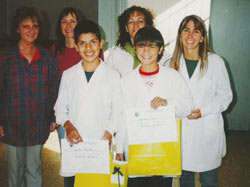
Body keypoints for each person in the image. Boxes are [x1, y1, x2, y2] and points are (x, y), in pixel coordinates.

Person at [115, 26, 194, 187]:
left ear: (160, 49)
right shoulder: (126, 81)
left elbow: (188, 106)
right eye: (141, 46)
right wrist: (119, 149)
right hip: (135, 149)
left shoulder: (172, 76)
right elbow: (121, 117)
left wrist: (168, 104)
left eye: (152, 46)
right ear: (135, 48)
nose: (146, 51)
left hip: (163, 150)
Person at [164, 15, 233, 187]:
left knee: (208, 179)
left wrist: (204, 110)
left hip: (206, 129)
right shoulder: (169, 64)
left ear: (202, 37)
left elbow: (226, 96)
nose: (190, 35)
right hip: (181, 130)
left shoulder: (216, 62)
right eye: (186, 30)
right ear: (180, 35)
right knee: (185, 178)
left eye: (196, 31)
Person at [54, 20, 121, 187]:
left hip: (101, 142)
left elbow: (119, 109)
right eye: (82, 44)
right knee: (73, 182)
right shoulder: (69, 75)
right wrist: (68, 126)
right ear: (76, 47)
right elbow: (60, 108)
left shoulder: (113, 75)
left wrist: (109, 132)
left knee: (99, 183)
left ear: (101, 44)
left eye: (93, 42)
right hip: (75, 145)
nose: (88, 48)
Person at [0, 6, 59, 187]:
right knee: (14, 172)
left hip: (38, 123)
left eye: (35, 26)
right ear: (17, 29)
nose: (31, 30)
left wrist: (52, 117)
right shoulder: (5, 58)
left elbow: (53, 90)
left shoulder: (48, 58)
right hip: (12, 124)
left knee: (34, 169)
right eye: (26, 26)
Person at [106, 6, 167, 76]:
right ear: (126, 28)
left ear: (147, 25)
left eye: (140, 21)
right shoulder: (115, 54)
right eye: (131, 22)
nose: (136, 25)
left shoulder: (158, 52)